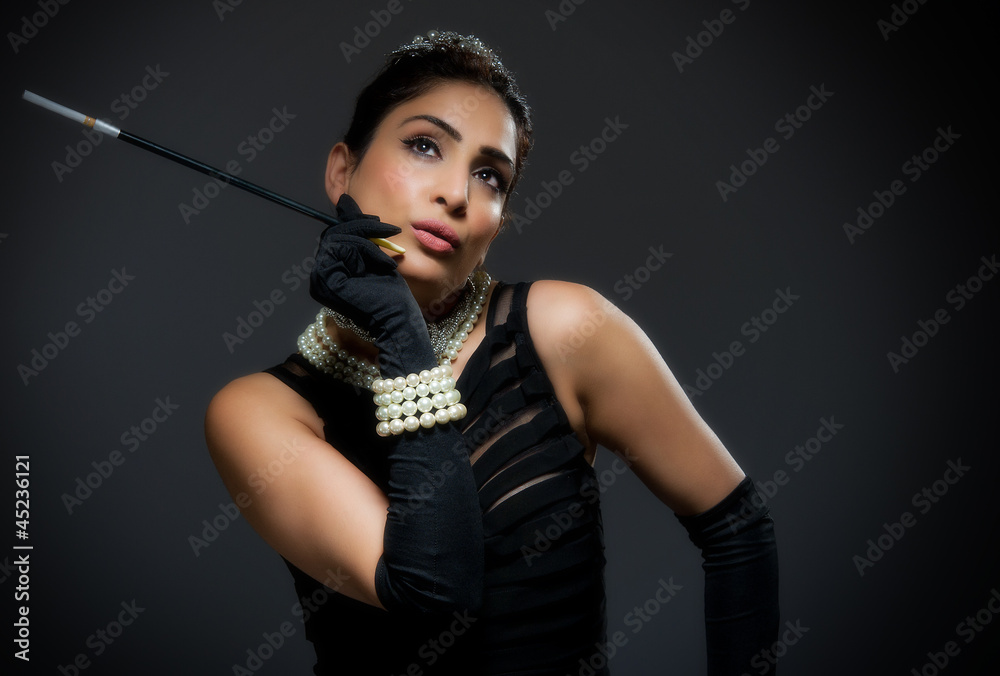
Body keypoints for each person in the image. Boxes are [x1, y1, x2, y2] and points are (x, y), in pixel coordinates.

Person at [205, 30, 779, 675]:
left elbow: (737, 530)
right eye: (425, 146)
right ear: (343, 169)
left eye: (489, 175)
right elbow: (431, 588)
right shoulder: (257, 412)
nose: (457, 193)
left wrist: (400, 330)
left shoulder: (566, 330)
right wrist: (403, 333)